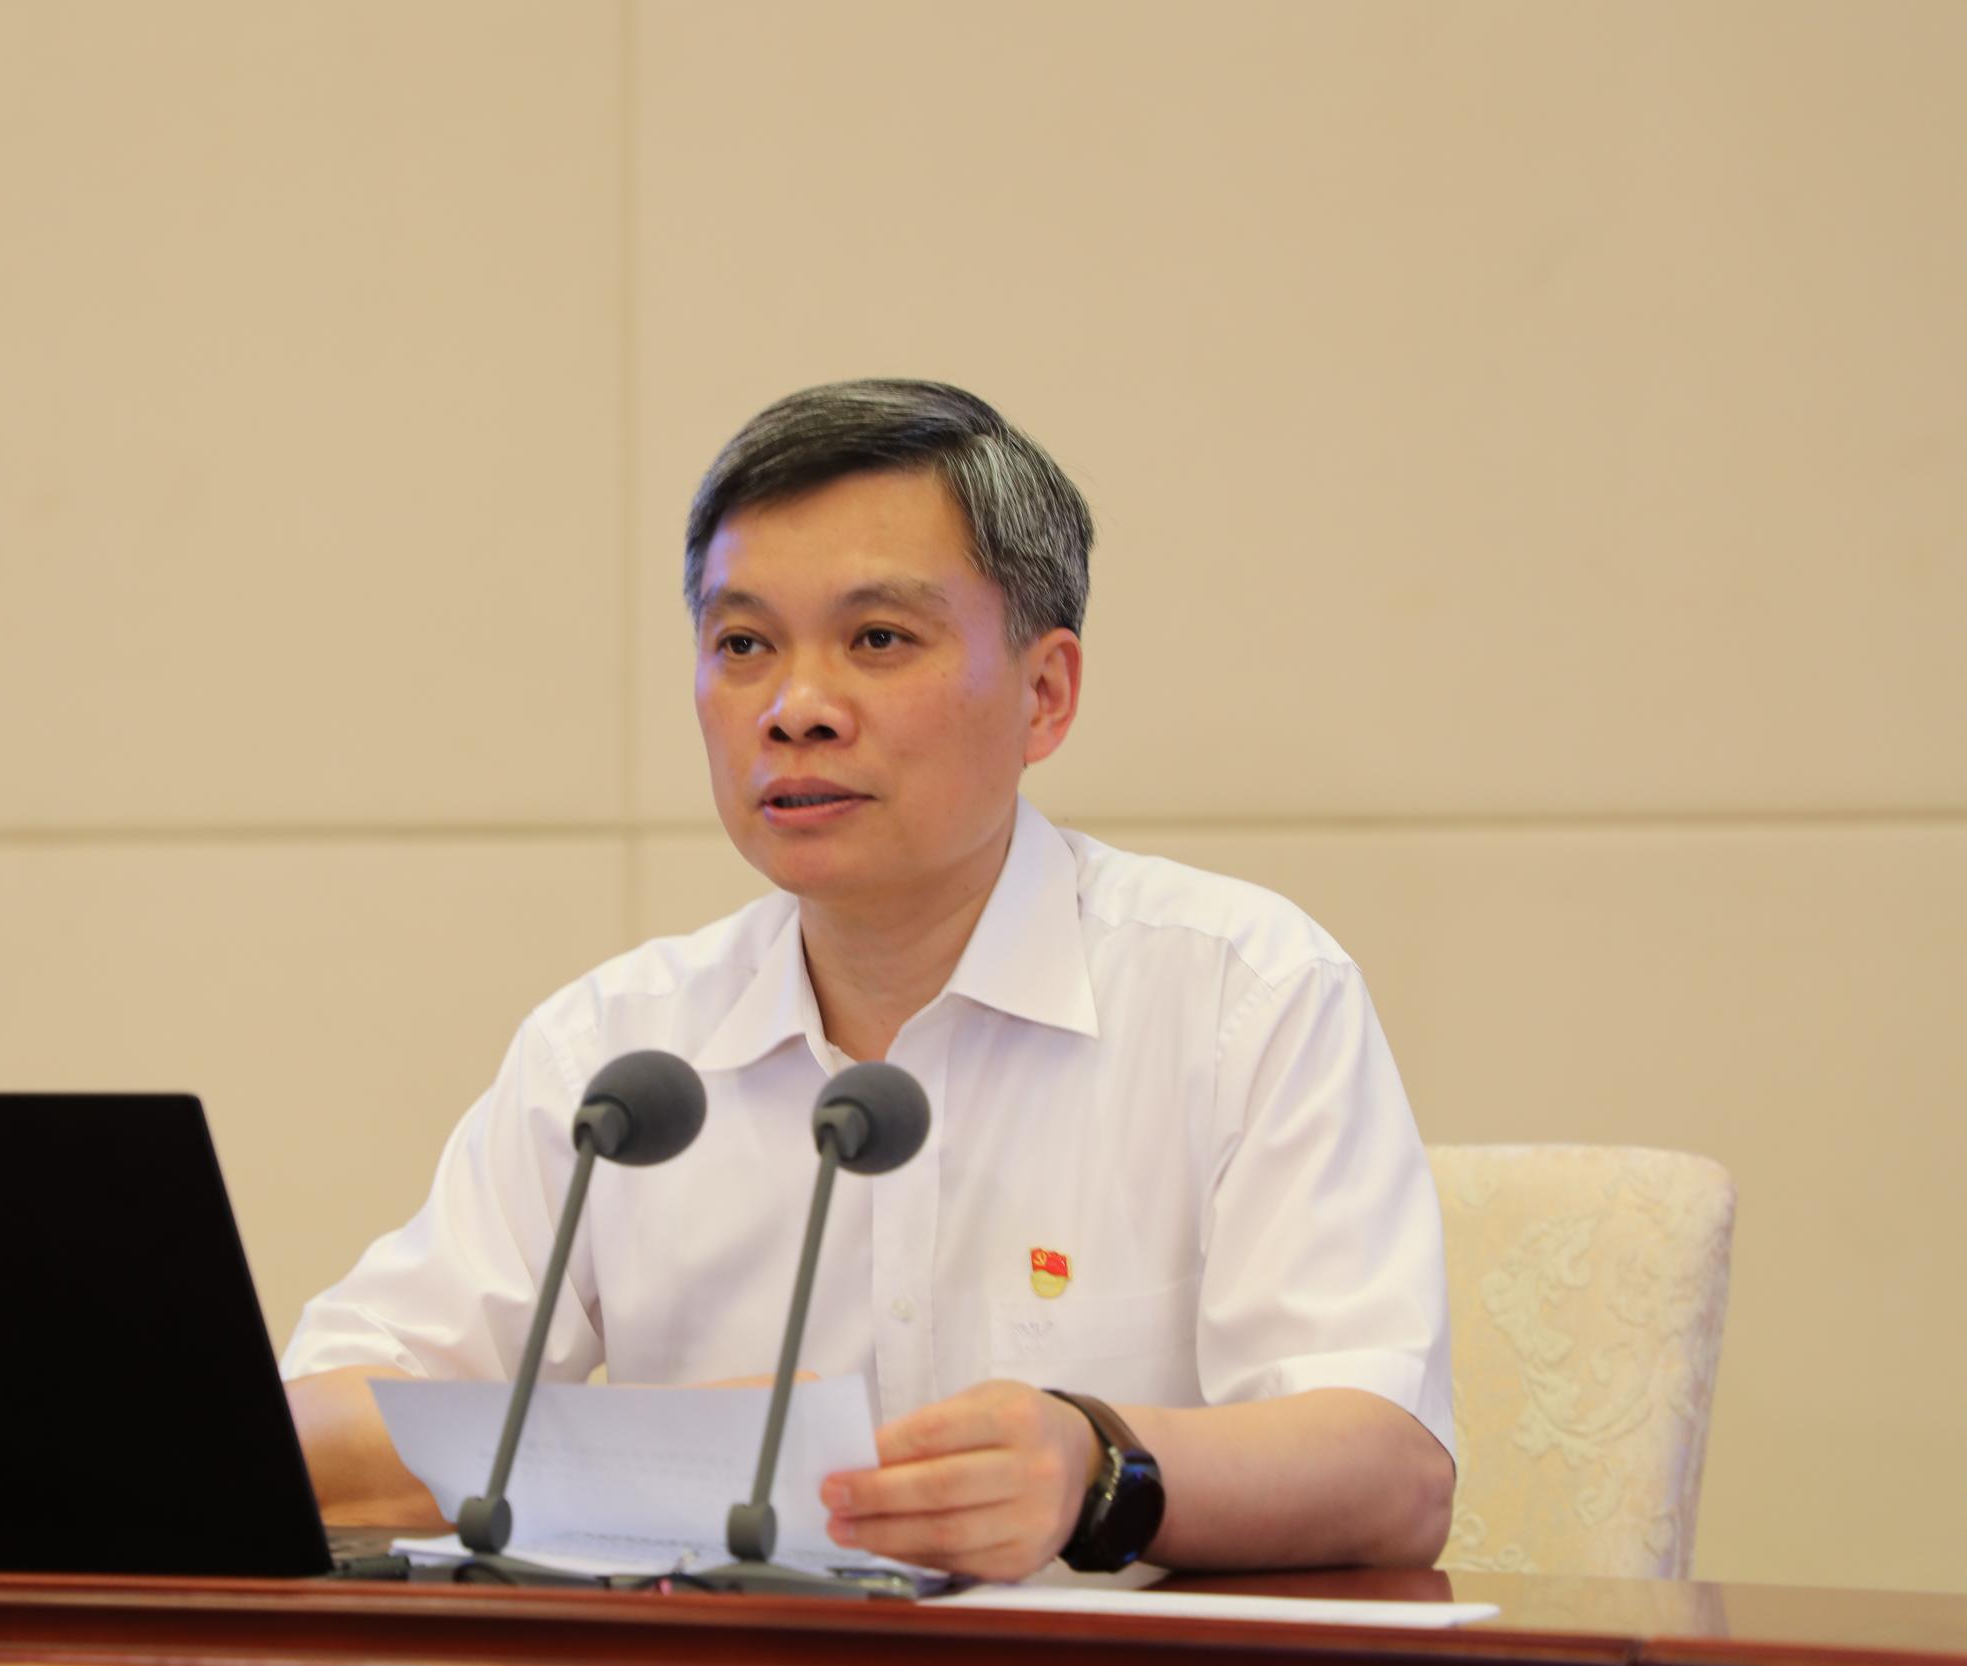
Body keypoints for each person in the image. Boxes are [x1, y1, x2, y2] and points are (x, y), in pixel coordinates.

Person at [283, 379, 1455, 1580]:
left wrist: (1094, 1462)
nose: (795, 710)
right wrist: (659, 1452)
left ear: (1044, 693)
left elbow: (1392, 1471)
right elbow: (304, 1433)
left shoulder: (1239, 995)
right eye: (743, 645)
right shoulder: (618, 1056)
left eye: (878, 640)